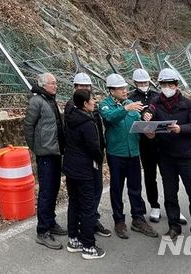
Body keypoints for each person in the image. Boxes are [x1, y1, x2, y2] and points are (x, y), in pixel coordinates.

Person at [145, 68, 191, 250]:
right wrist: (148, 129)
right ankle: (173, 227)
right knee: (170, 194)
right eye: (164, 85)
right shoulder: (155, 104)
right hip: (166, 156)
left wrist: (181, 129)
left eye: (170, 84)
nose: (167, 88)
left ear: (177, 85)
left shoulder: (188, 104)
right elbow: (149, 121)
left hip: (187, 156)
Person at [99, 73, 158, 239]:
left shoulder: (131, 104)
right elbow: (110, 118)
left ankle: (138, 218)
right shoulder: (105, 104)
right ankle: (119, 220)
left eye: (125, 88)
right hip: (116, 153)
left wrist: (148, 132)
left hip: (133, 152)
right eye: (121, 88)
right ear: (111, 90)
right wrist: (125, 109)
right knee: (117, 188)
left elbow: (138, 124)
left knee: (135, 187)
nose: (125, 91)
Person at [24, 72, 68, 249]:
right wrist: (36, 148)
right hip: (46, 153)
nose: (55, 86)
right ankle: (42, 231)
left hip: (55, 151)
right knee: (47, 191)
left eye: (56, 83)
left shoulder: (50, 99)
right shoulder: (36, 101)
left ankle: (50, 222)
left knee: (54, 188)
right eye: (52, 83)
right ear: (43, 85)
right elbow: (28, 126)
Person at [63, 88, 106, 259]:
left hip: (71, 168)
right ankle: (88, 246)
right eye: (92, 100)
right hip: (84, 169)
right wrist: (100, 159)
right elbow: (94, 148)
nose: (94, 102)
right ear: (84, 103)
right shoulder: (87, 123)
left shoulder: (70, 117)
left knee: (74, 203)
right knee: (88, 207)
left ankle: (73, 239)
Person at [71, 72, 111, 238]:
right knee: (85, 194)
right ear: (75, 88)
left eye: (87, 86)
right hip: (86, 158)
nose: (85, 88)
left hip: (95, 155)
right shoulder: (73, 108)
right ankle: (86, 224)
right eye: (82, 86)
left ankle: (92, 219)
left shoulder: (92, 107)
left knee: (97, 189)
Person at [129, 68, 162, 222]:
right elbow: (131, 119)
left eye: (145, 82)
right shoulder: (131, 99)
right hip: (144, 143)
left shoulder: (158, 96)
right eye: (140, 83)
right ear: (135, 83)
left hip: (162, 142)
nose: (143, 85)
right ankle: (154, 205)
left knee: (169, 176)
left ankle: (172, 205)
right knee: (150, 176)